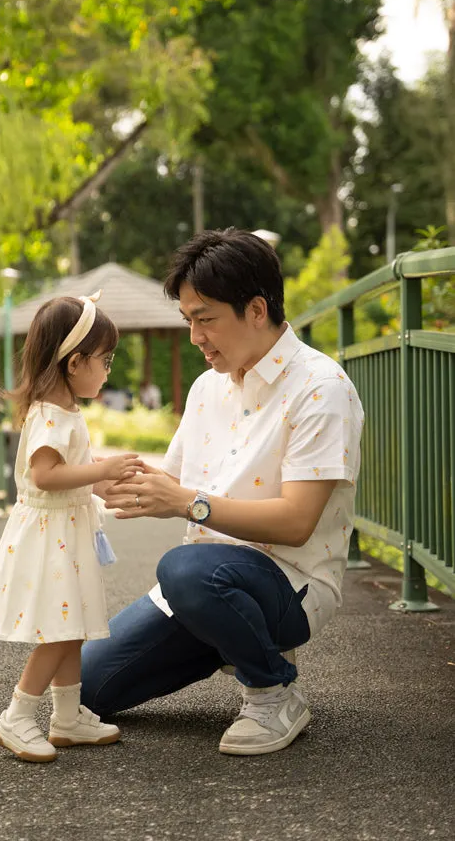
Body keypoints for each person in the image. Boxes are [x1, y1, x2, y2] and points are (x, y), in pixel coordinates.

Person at [81, 228, 364, 756]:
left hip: (289, 583)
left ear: (256, 310)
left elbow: (297, 522)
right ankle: (227, 635)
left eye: (205, 319)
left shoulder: (321, 389)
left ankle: (272, 690)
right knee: (85, 687)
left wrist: (189, 503)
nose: (195, 337)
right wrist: (81, 474)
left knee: (184, 569)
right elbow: (170, 478)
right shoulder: (207, 386)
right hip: (203, 584)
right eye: (188, 320)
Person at [0, 292, 143, 762]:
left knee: (70, 626)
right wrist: (101, 472)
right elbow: (46, 476)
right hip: (49, 538)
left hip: (64, 531)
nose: (109, 369)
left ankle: (67, 717)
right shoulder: (51, 415)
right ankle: (16, 717)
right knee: (58, 629)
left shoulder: (62, 409)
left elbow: (69, 475)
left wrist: (102, 485)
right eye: (105, 359)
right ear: (75, 362)